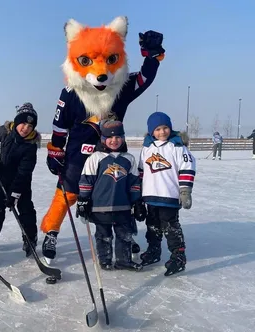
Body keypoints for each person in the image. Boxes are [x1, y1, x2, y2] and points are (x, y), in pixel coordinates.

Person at [41, 16, 165, 262]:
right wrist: (55, 150)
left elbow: (144, 79)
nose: (101, 71)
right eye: (88, 61)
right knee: (69, 191)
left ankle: (126, 236)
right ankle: (51, 232)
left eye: (109, 60)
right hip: (79, 153)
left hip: (113, 151)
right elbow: (60, 126)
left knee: (121, 192)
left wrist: (151, 56)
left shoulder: (122, 86)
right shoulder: (71, 92)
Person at [76, 120, 145, 271]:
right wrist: (83, 201)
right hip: (100, 206)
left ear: (123, 138)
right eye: (110, 137)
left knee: (124, 236)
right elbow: (86, 181)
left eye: (118, 137)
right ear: (103, 139)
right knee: (104, 236)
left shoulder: (129, 159)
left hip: (123, 206)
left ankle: (123, 260)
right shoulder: (95, 158)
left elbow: (134, 183)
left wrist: (137, 202)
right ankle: (105, 260)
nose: (114, 140)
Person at [0, 103, 41, 257]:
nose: (25, 128)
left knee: (25, 209)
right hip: (2, 178)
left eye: (30, 126)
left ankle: (30, 237)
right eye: (23, 123)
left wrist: (15, 193)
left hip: (22, 183)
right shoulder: (4, 131)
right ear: (16, 121)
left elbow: (24, 172)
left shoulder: (30, 145)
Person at [138, 112, 196, 276]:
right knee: (153, 225)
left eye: (165, 128)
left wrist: (185, 191)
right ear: (151, 131)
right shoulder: (147, 148)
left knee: (170, 227)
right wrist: (139, 195)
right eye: (157, 129)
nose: (162, 132)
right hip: (150, 195)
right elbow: (141, 171)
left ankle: (178, 256)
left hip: (169, 195)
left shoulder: (177, 146)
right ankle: (154, 250)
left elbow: (187, 167)